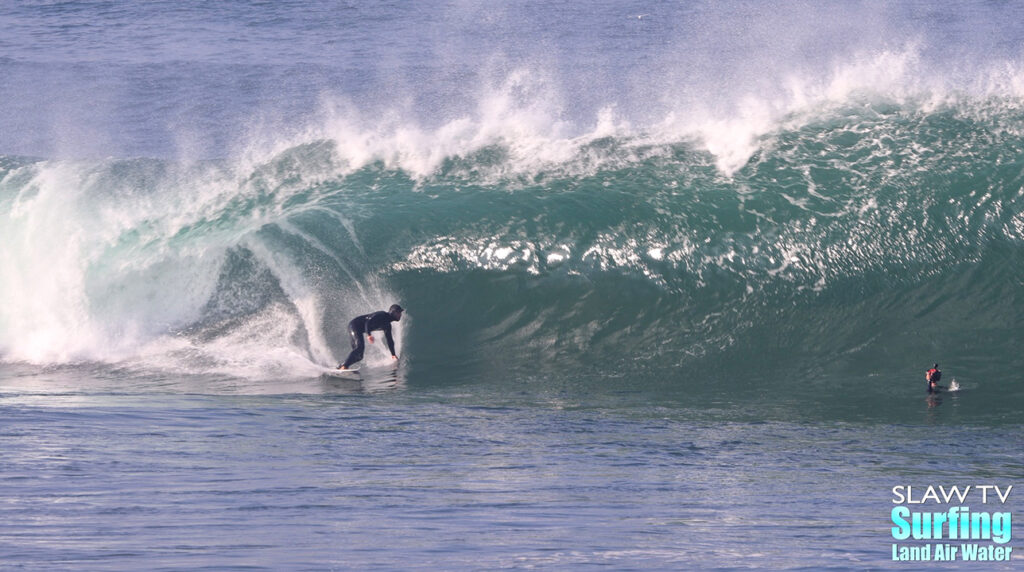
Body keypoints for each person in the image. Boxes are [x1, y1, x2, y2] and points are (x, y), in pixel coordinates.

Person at [338, 304, 404, 370]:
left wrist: (393, 355)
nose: (400, 315)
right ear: (394, 312)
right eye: (399, 312)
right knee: (359, 348)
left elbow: (390, 340)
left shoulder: (387, 326)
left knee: (359, 356)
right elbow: (368, 321)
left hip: (359, 330)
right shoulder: (382, 315)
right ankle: (344, 367)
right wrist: (369, 334)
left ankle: (342, 365)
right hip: (354, 325)